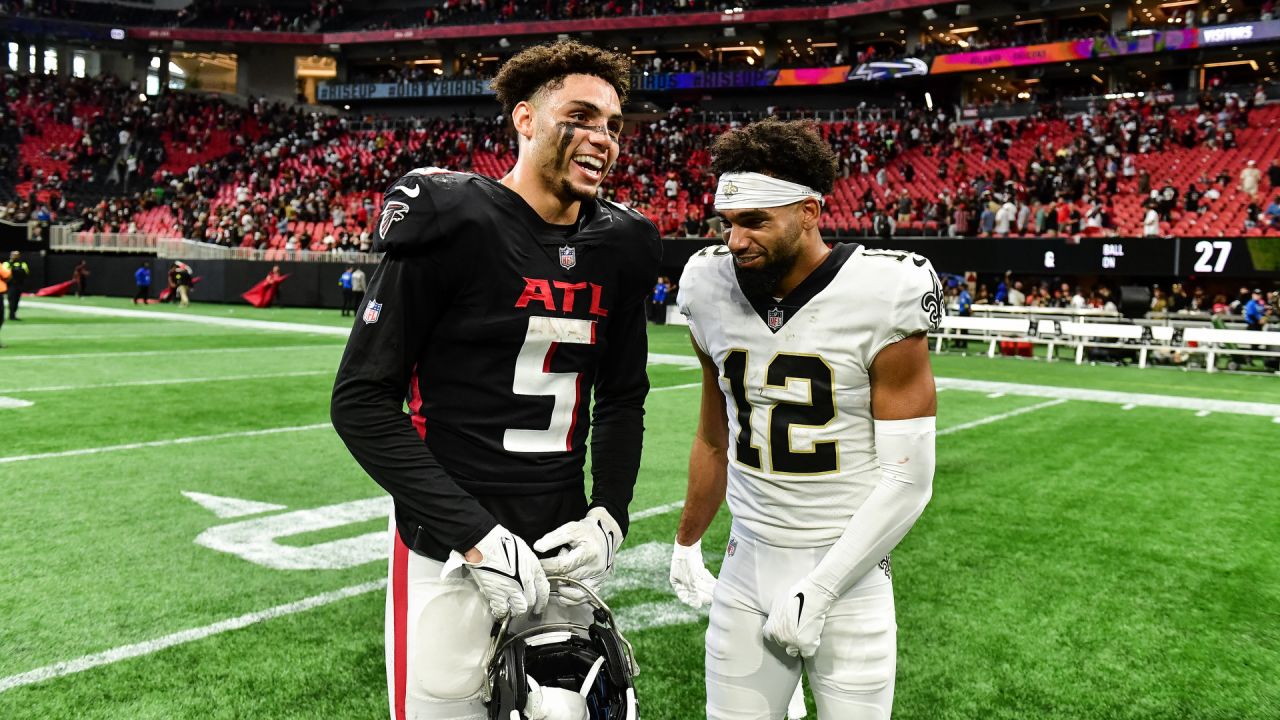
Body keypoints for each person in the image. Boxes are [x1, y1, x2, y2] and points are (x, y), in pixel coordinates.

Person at [330, 40, 659, 720]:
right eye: (581, 116)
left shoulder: (623, 243)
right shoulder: (454, 219)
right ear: (525, 120)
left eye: (613, 125)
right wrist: (475, 533)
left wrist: (612, 513)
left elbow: (622, 395)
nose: (602, 138)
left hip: (563, 552)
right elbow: (361, 402)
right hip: (446, 551)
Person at [668, 119, 940, 719]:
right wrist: (687, 541)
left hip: (850, 578)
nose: (735, 241)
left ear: (810, 211)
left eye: (755, 221)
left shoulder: (883, 288)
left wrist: (821, 588)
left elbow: (909, 479)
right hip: (746, 565)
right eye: (728, 223)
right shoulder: (705, 284)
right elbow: (714, 437)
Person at [4, 251, 29, 319]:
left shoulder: (23, 264)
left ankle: (14, 313)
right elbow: (4, 273)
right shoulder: (7, 263)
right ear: (10, 255)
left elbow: (26, 272)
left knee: (17, 300)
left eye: (16, 255)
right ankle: (11, 314)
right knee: (11, 299)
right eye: (13, 255)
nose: (15, 256)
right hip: (10, 285)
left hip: (19, 285)